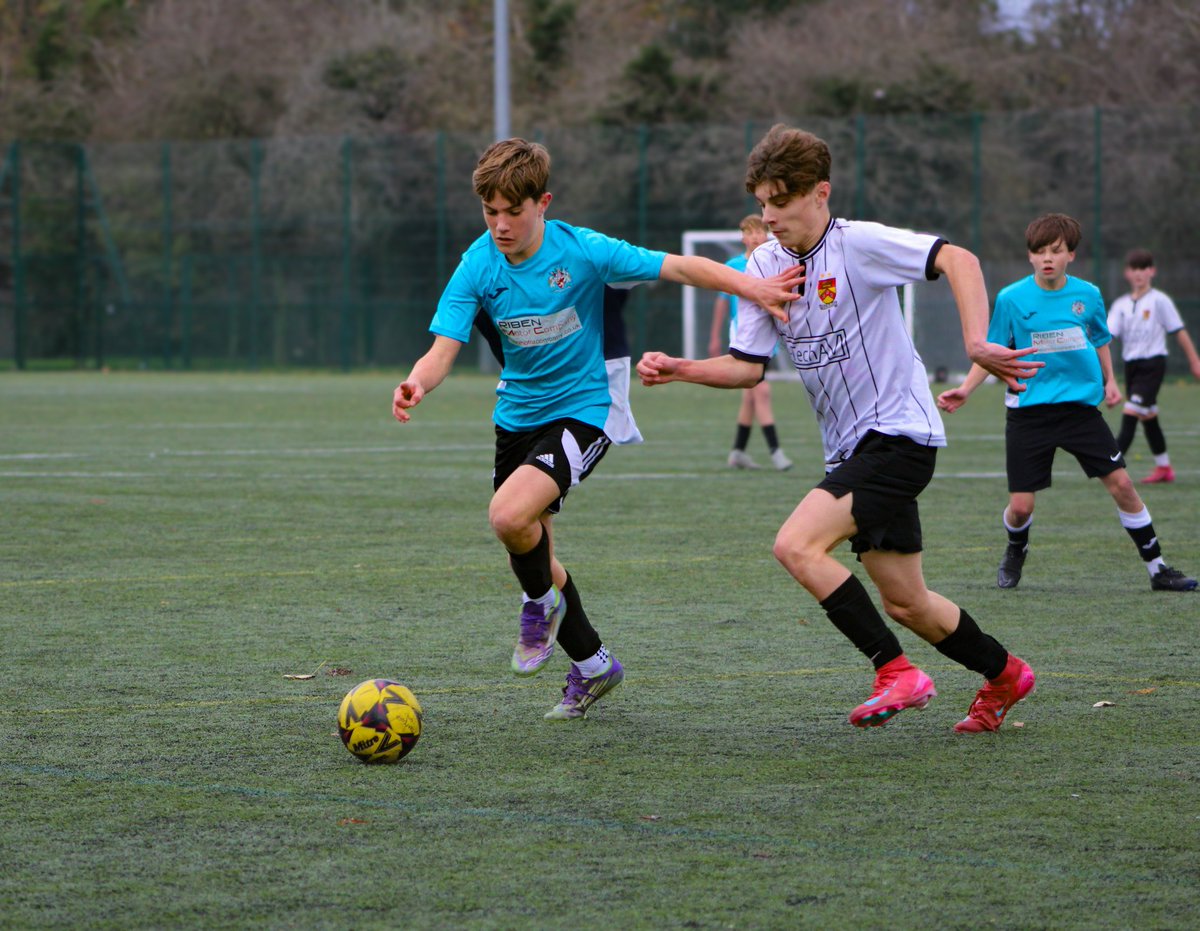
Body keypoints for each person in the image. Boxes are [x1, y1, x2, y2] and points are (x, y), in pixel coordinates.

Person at [637, 123, 1041, 734]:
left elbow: (958, 258)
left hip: (900, 435)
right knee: (908, 602)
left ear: (820, 193)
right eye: (762, 203)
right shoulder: (762, 265)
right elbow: (748, 369)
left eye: (781, 201)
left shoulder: (859, 244)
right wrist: (680, 368)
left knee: (796, 546)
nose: (769, 215)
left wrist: (977, 342)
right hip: (850, 450)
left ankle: (895, 673)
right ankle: (1006, 674)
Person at [393, 137, 803, 721]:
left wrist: (753, 287)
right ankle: (591, 664)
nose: (502, 224)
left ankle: (537, 606)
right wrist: (416, 382)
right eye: (491, 211)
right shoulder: (477, 263)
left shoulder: (583, 251)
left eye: (515, 210)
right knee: (533, 548)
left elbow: (679, 266)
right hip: (516, 418)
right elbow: (442, 349)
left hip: (584, 412)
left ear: (544, 203)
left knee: (509, 517)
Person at [937, 214, 1197, 593]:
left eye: (1056, 251)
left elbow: (1099, 337)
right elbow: (992, 352)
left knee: (1123, 484)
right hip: (1028, 413)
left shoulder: (1087, 295)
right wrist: (967, 389)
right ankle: (1015, 548)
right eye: (1039, 251)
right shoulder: (1011, 298)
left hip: (1079, 411)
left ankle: (1158, 569)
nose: (1047, 258)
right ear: (1029, 257)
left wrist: (1110, 380)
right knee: (1022, 507)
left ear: (1071, 255)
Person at [1107, 248, 1200, 484]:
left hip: (1153, 365)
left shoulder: (1160, 301)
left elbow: (1178, 331)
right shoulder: (1120, 305)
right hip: (1132, 366)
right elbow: (1107, 337)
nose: (1139, 273)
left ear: (1152, 271)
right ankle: (1164, 468)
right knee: (1149, 417)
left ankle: (1109, 467)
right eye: (1135, 268)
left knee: (1130, 414)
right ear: (1128, 273)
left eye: (1144, 268)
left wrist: (1194, 361)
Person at [708, 214, 793, 471]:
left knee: (750, 397)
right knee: (762, 391)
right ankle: (776, 451)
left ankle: (737, 452)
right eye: (751, 232)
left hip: (766, 333)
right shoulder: (734, 265)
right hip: (743, 335)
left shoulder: (773, 260)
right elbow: (722, 302)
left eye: (762, 231)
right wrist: (714, 336)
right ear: (743, 236)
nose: (757, 236)